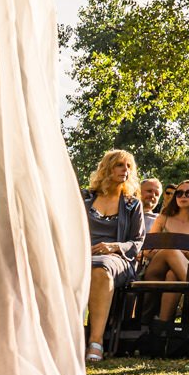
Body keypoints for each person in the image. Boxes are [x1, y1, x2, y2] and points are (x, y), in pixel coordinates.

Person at [82, 149, 147, 363]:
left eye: (128, 166)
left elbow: (137, 242)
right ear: (107, 168)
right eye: (120, 165)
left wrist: (114, 246)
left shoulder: (132, 204)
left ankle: (96, 342)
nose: (125, 170)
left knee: (101, 268)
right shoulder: (86, 198)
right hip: (82, 255)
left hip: (118, 259)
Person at [142, 179, 189, 324]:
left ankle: (164, 326)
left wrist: (174, 251)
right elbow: (147, 251)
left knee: (172, 274)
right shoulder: (163, 218)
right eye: (179, 193)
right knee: (170, 252)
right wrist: (174, 251)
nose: (183, 196)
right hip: (155, 269)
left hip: (186, 269)